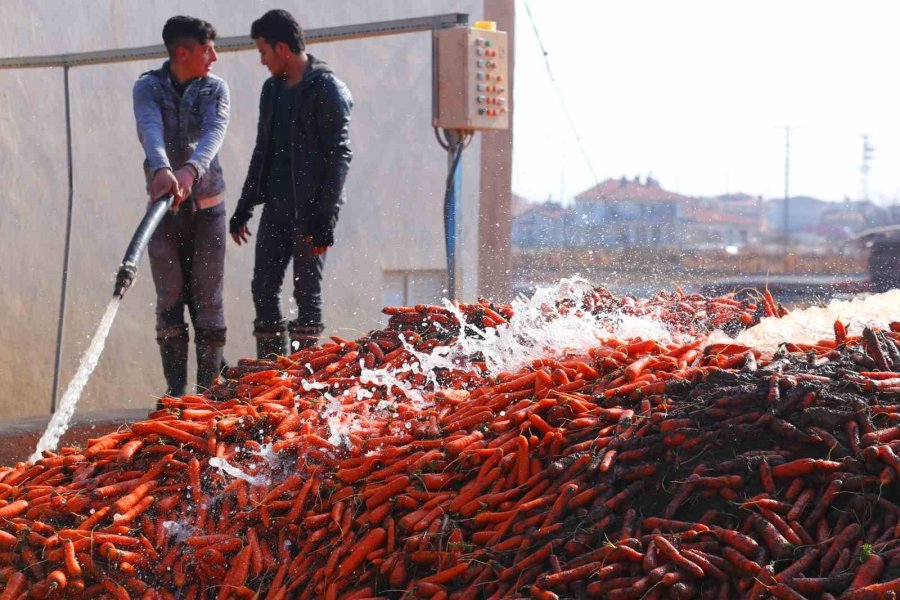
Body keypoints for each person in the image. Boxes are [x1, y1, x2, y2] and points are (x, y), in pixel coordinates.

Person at [230, 9, 353, 357]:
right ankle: (272, 375)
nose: (262, 61)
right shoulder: (271, 90)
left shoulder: (327, 89)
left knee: (306, 297)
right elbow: (262, 150)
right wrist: (244, 205)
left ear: (281, 48)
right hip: (276, 210)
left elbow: (340, 156)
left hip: (311, 213)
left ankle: (302, 382)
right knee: (263, 290)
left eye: (263, 53)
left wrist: (326, 216)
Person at [132, 16, 230, 400]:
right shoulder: (148, 87)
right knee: (170, 299)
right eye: (208, 50)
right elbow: (149, 128)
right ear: (183, 52)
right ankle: (175, 394)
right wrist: (161, 168)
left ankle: (207, 394)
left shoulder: (215, 89)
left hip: (208, 211)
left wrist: (190, 170)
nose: (214, 58)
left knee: (208, 302)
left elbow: (213, 134)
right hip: (164, 213)